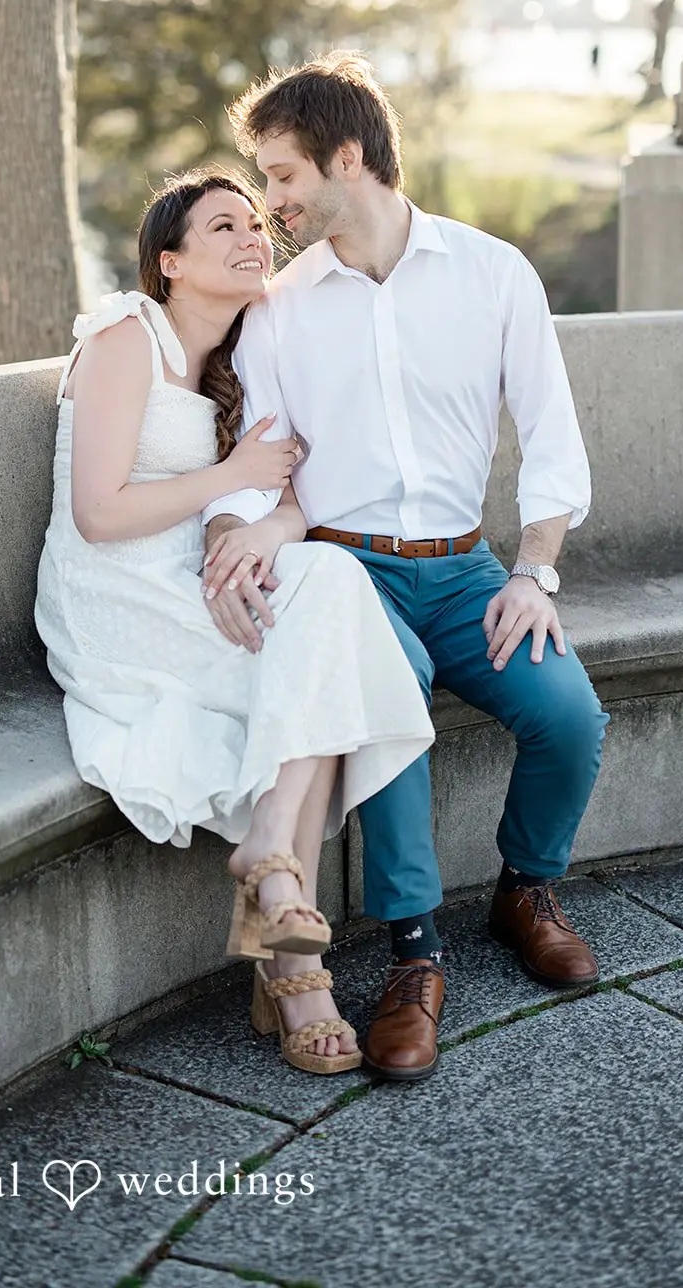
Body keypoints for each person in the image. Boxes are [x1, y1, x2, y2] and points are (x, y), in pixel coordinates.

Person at [200, 54, 611, 1083]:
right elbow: (263, 452)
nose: (273, 202)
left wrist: (536, 573)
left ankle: (526, 888)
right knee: (391, 720)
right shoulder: (283, 306)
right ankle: (415, 957)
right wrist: (241, 533)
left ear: (350, 158)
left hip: (469, 573)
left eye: (285, 175)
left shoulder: (492, 271)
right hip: (348, 577)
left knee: (568, 714)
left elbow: (553, 436)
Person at [34, 167, 433, 1076]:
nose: (253, 235)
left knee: (325, 592)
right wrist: (227, 482)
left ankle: (272, 875)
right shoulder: (126, 338)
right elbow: (97, 514)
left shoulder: (252, 355)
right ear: (169, 261)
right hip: (114, 593)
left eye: (256, 221)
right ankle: (300, 983)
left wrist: (259, 534)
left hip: (195, 574)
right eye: (223, 226)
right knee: (319, 673)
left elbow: (296, 499)